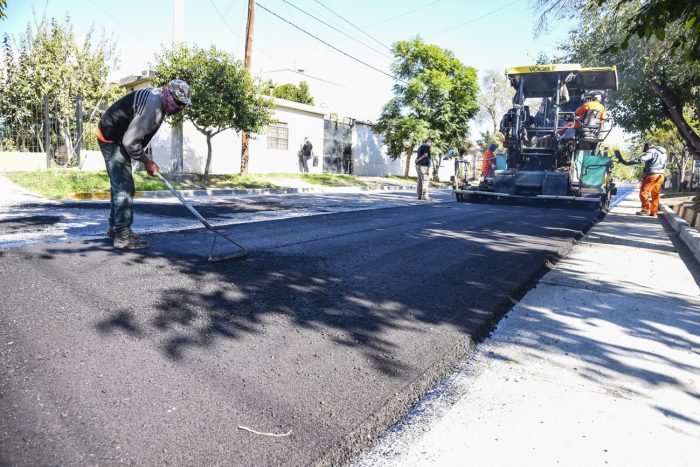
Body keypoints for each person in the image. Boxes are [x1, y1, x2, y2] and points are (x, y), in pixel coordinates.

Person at [95, 79, 191, 249]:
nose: (180, 108)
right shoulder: (154, 108)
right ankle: (122, 236)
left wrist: (145, 160)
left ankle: (115, 228)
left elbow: (133, 138)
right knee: (124, 186)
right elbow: (130, 142)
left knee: (120, 185)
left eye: (183, 105)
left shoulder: (159, 99)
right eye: (178, 103)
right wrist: (147, 161)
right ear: (168, 95)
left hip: (119, 135)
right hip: (111, 136)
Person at [615, 141, 667, 216]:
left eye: (645, 149)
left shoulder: (651, 151)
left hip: (652, 176)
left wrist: (627, 162)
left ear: (647, 147)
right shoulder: (663, 153)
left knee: (644, 193)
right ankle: (654, 211)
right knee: (655, 194)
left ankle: (646, 209)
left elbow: (641, 159)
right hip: (660, 176)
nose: (646, 151)